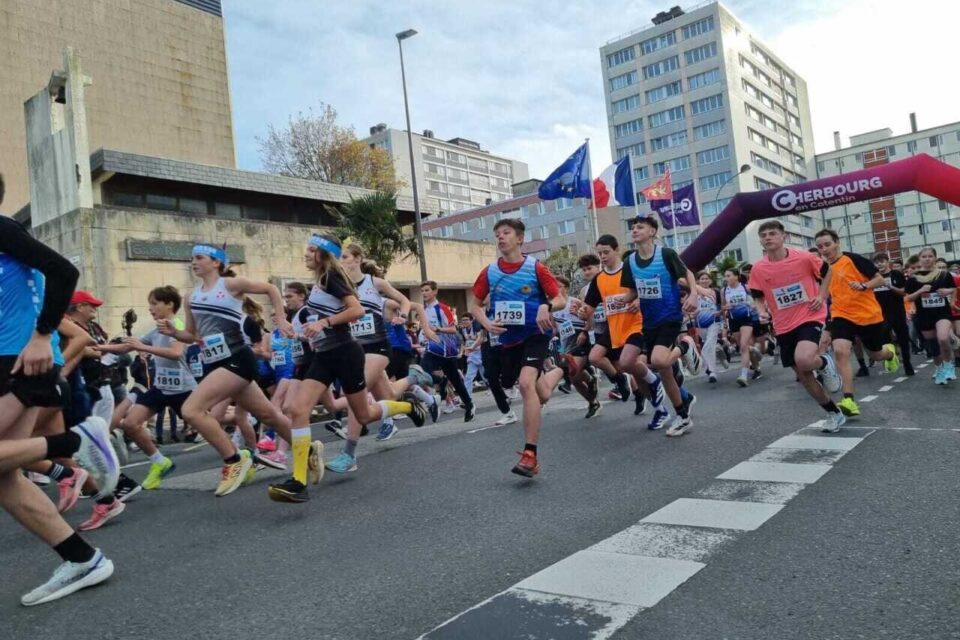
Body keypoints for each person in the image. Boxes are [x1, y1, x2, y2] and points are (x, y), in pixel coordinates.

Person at [0, 175, 119, 605]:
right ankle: (82, 558)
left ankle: (75, 440)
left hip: (21, 361)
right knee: (4, 479)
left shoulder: (2, 228)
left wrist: (41, 335)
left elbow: (63, 270)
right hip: (12, 361)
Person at [268, 234, 425, 502]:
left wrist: (324, 323)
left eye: (311, 250)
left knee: (363, 415)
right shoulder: (319, 281)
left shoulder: (331, 277)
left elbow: (357, 310)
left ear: (324, 254)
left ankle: (407, 404)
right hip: (324, 355)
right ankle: (298, 481)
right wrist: (309, 331)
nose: (306, 254)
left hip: (345, 354)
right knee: (297, 409)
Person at [159, 243, 294, 497]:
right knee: (268, 414)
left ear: (216, 262)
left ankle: (234, 460)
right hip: (216, 361)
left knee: (191, 409)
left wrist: (282, 317)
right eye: (192, 258)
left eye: (199, 257)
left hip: (238, 359)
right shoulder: (191, 297)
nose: (193, 262)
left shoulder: (230, 285)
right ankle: (306, 450)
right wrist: (174, 332)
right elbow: (191, 335)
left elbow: (271, 288)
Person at [470, 218, 566, 477]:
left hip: (536, 333)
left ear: (520, 238)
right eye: (497, 234)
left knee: (525, 384)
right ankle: (559, 371)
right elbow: (474, 305)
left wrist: (547, 305)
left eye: (506, 233)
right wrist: (487, 323)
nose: (500, 237)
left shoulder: (535, 267)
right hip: (508, 338)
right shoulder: (490, 271)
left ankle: (530, 455)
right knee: (540, 392)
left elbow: (560, 298)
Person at [746, 221, 845, 432]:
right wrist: (761, 310)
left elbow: (828, 271)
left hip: (810, 315)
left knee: (804, 359)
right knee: (803, 374)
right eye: (763, 235)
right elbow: (757, 295)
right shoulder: (759, 268)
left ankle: (824, 363)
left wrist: (821, 295)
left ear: (784, 237)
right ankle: (833, 413)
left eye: (772, 234)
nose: (768, 238)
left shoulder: (804, 257)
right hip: (782, 325)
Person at [96, 286, 194, 491]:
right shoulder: (156, 329)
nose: (150, 308)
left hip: (182, 388)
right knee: (131, 423)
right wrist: (97, 348)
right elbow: (129, 346)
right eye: (150, 303)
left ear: (169, 304)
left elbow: (175, 353)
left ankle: (239, 450)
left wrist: (143, 348)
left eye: (155, 303)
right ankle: (160, 462)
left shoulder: (175, 324)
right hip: (161, 387)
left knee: (209, 424)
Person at [623, 216, 700, 436]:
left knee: (657, 361)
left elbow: (688, 274)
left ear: (652, 232)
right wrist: (623, 300)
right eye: (633, 227)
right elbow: (633, 291)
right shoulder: (631, 262)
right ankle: (682, 416)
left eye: (640, 227)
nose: (635, 230)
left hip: (670, 316)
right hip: (650, 321)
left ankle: (685, 346)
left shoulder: (665, 254)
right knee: (665, 371)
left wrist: (693, 294)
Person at [580, 234, 666, 428]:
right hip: (614, 330)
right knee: (605, 361)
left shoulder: (631, 269)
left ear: (616, 249)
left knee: (629, 364)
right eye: (599, 253)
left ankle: (655, 384)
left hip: (637, 325)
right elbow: (589, 308)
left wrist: (638, 300)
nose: (602, 256)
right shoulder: (599, 280)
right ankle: (655, 404)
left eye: (606, 252)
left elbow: (651, 288)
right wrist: (581, 311)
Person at [814, 229, 899, 416]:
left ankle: (890, 354)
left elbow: (879, 279)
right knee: (840, 351)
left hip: (868, 315)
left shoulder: (854, 259)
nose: (824, 249)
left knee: (876, 354)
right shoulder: (823, 268)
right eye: (820, 247)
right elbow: (825, 292)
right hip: (841, 314)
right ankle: (849, 400)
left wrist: (863, 286)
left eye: (827, 244)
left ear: (837, 242)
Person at [419, 281, 476, 422]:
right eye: (422, 291)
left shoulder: (442, 308)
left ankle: (469, 404)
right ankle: (441, 382)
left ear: (435, 291)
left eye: (427, 290)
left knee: (456, 381)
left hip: (446, 350)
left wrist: (438, 329)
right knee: (421, 371)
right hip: (432, 349)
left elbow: (453, 329)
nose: (424, 293)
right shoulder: (423, 310)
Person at [905, 247, 957, 384]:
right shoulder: (913, 278)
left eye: (930, 256)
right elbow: (908, 298)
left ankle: (948, 364)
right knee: (933, 345)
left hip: (942, 312)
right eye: (924, 257)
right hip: (924, 315)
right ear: (920, 259)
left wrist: (948, 293)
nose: (927, 259)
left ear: (934, 258)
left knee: (943, 337)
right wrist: (920, 291)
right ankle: (939, 369)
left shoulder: (944, 275)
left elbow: (953, 289)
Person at [872, 252, 914, 376]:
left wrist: (890, 286)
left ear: (887, 261)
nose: (879, 264)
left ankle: (907, 363)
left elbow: (903, 292)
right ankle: (892, 355)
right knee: (884, 332)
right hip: (881, 313)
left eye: (882, 261)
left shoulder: (896, 274)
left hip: (897, 311)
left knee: (903, 339)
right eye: (876, 262)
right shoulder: (874, 277)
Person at [722, 269, 761, 386]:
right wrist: (726, 308)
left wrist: (752, 305)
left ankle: (743, 375)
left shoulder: (745, 287)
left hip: (746, 319)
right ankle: (757, 366)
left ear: (736, 277)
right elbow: (723, 306)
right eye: (725, 276)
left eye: (729, 276)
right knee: (743, 348)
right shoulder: (724, 290)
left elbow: (757, 300)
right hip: (733, 320)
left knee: (743, 346)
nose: (726, 278)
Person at [694, 271, 722, 383]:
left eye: (706, 278)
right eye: (702, 279)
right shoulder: (694, 293)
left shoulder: (715, 292)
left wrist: (720, 313)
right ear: (697, 281)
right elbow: (689, 308)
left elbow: (722, 306)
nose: (705, 281)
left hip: (714, 322)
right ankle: (720, 351)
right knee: (708, 345)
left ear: (710, 281)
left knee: (707, 346)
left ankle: (712, 371)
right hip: (700, 324)